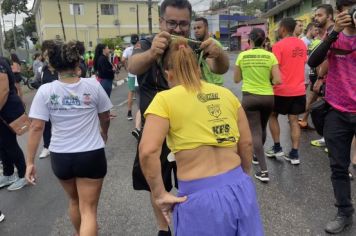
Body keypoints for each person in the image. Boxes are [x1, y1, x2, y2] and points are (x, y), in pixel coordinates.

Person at [139, 37, 263, 236]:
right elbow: (246, 143)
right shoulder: (227, 94)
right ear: (199, 70)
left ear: (168, 75)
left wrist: (160, 194)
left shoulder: (164, 99)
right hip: (240, 188)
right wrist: (243, 177)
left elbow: (147, 151)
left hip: (199, 199)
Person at [128, 0, 229, 235]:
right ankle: (164, 229)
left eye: (183, 23)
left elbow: (219, 68)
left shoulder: (193, 46)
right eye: (172, 22)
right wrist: (153, 52)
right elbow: (132, 66)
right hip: (156, 132)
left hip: (191, 131)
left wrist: (220, 53)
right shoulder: (145, 43)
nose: (177, 29)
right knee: (157, 185)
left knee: (194, 183)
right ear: (161, 21)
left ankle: (193, 225)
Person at [25, 40, 112, 236]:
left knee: (74, 201)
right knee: (88, 210)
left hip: (61, 155)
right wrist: (104, 132)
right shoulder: (93, 85)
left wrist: (30, 162)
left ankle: (79, 232)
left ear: (52, 65)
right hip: (91, 153)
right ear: (77, 62)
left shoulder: (45, 91)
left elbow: (36, 127)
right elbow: (105, 117)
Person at [308, 0, 356, 233]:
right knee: (338, 167)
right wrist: (334, 32)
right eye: (348, 9)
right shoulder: (332, 34)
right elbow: (313, 61)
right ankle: (344, 212)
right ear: (339, 13)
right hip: (338, 110)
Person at [234, 28, 281, 182]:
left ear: (250, 41)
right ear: (264, 41)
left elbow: (236, 79)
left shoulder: (242, 56)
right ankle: (257, 153)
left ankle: (264, 171)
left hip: (250, 97)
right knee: (261, 128)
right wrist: (267, 80)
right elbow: (278, 80)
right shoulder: (270, 56)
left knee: (254, 131)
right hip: (268, 97)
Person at [266, 17, 307, 165]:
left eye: (278, 28)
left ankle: (277, 147)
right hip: (299, 90)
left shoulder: (278, 45)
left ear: (283, 28)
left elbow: (274, 68)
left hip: (281, 90)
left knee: (272, 115)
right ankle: (294, 154)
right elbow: (303, 63)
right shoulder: (302, 44)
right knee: (294, 120)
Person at [309, 3, 335, 148]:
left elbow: (328, 59)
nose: (316, 18)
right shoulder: (328, 32)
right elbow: (327, 58)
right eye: (316, 15)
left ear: (329, 16)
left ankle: (332, 143)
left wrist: (320, 78)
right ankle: (329, 141)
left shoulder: (333, 31)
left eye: (320, 15)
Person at [0, 57, 27, 191]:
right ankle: (8, 174)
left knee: (10, 144)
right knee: (2, 145)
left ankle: (23, 175)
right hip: (3, 111)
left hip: (7, 110)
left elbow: (3, 90)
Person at [37, 40, 59, 159]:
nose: (47, 58)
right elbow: (37, 82)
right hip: (47, 103)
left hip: (60, 102)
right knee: (46, 125)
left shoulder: (61, 69)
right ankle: (47, 147)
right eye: (45, 55)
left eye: (49, 55)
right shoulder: (42, 70)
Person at [298, 22, 320, 128]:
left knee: (309, 95)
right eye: (315, 30)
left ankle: (302, 118)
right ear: (310, 29)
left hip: (312, 70)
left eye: (318, 30)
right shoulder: (303, 41)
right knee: (303, 93)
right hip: (304, 70)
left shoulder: (315, 41)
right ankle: (296, 116)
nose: (317, 31)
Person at [193, 17, 225, 86]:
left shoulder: (213, 44)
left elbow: (212, 66)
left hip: (215, 85)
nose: (196, 31)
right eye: (194, 28)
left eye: (199, 28)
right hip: (204, 86)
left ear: (206, 28)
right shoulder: (199, 45)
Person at [122, 34, 140, 121]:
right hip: (140, 74)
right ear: (138, 41)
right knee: (141, 94)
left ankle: (129, 113)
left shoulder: (128, 49)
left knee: (131, 93)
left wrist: (126, 68)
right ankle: (142, 113)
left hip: (131, 74)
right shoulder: (140, 49)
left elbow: (123, 59)